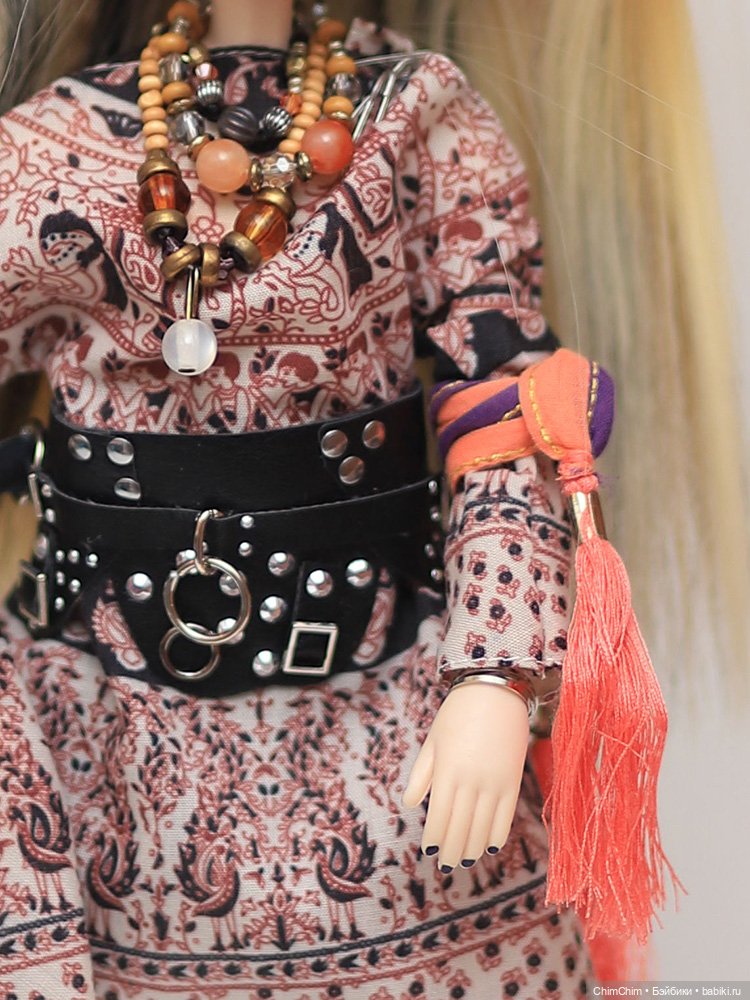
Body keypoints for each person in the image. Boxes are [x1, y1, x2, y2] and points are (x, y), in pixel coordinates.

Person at [0, 0, 703, 996]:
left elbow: (506, 405)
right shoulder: (51, 145)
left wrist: (496, 671)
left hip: (381, 695)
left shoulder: (415, 114)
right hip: (110, 716)